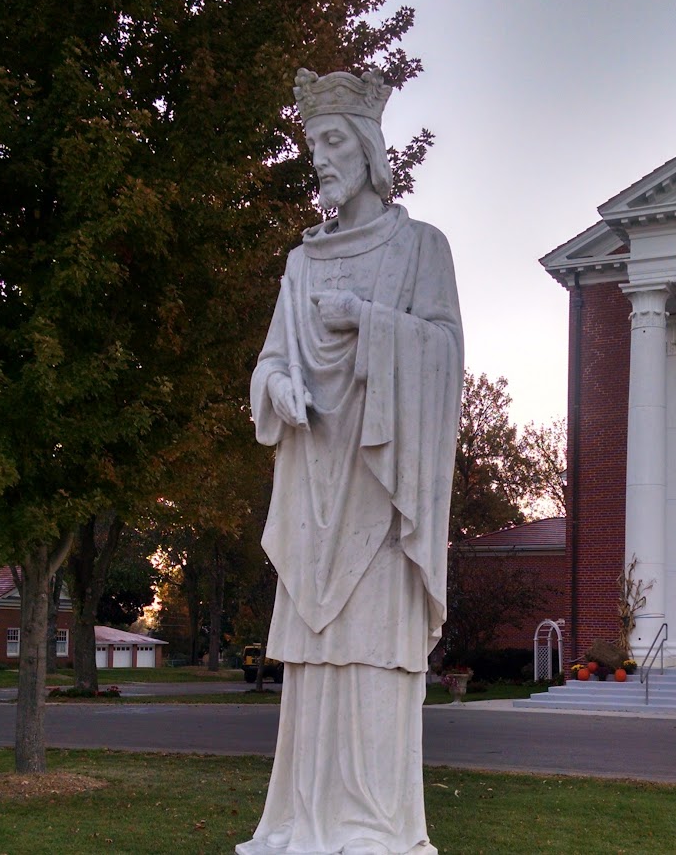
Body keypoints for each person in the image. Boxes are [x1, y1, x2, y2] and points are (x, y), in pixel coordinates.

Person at [237, 68, 463, 855]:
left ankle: (371, 825)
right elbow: (268, 361)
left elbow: (443, 358)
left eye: (333, 141)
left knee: (370, 652)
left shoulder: (420, 248)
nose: (320, 158)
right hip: (312, 490)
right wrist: (279, 386)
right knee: (314, 658)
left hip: (382, 492)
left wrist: (365, 321)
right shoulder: (300, 266)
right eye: (312, 144)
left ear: (369, 150)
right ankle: (305, 821)